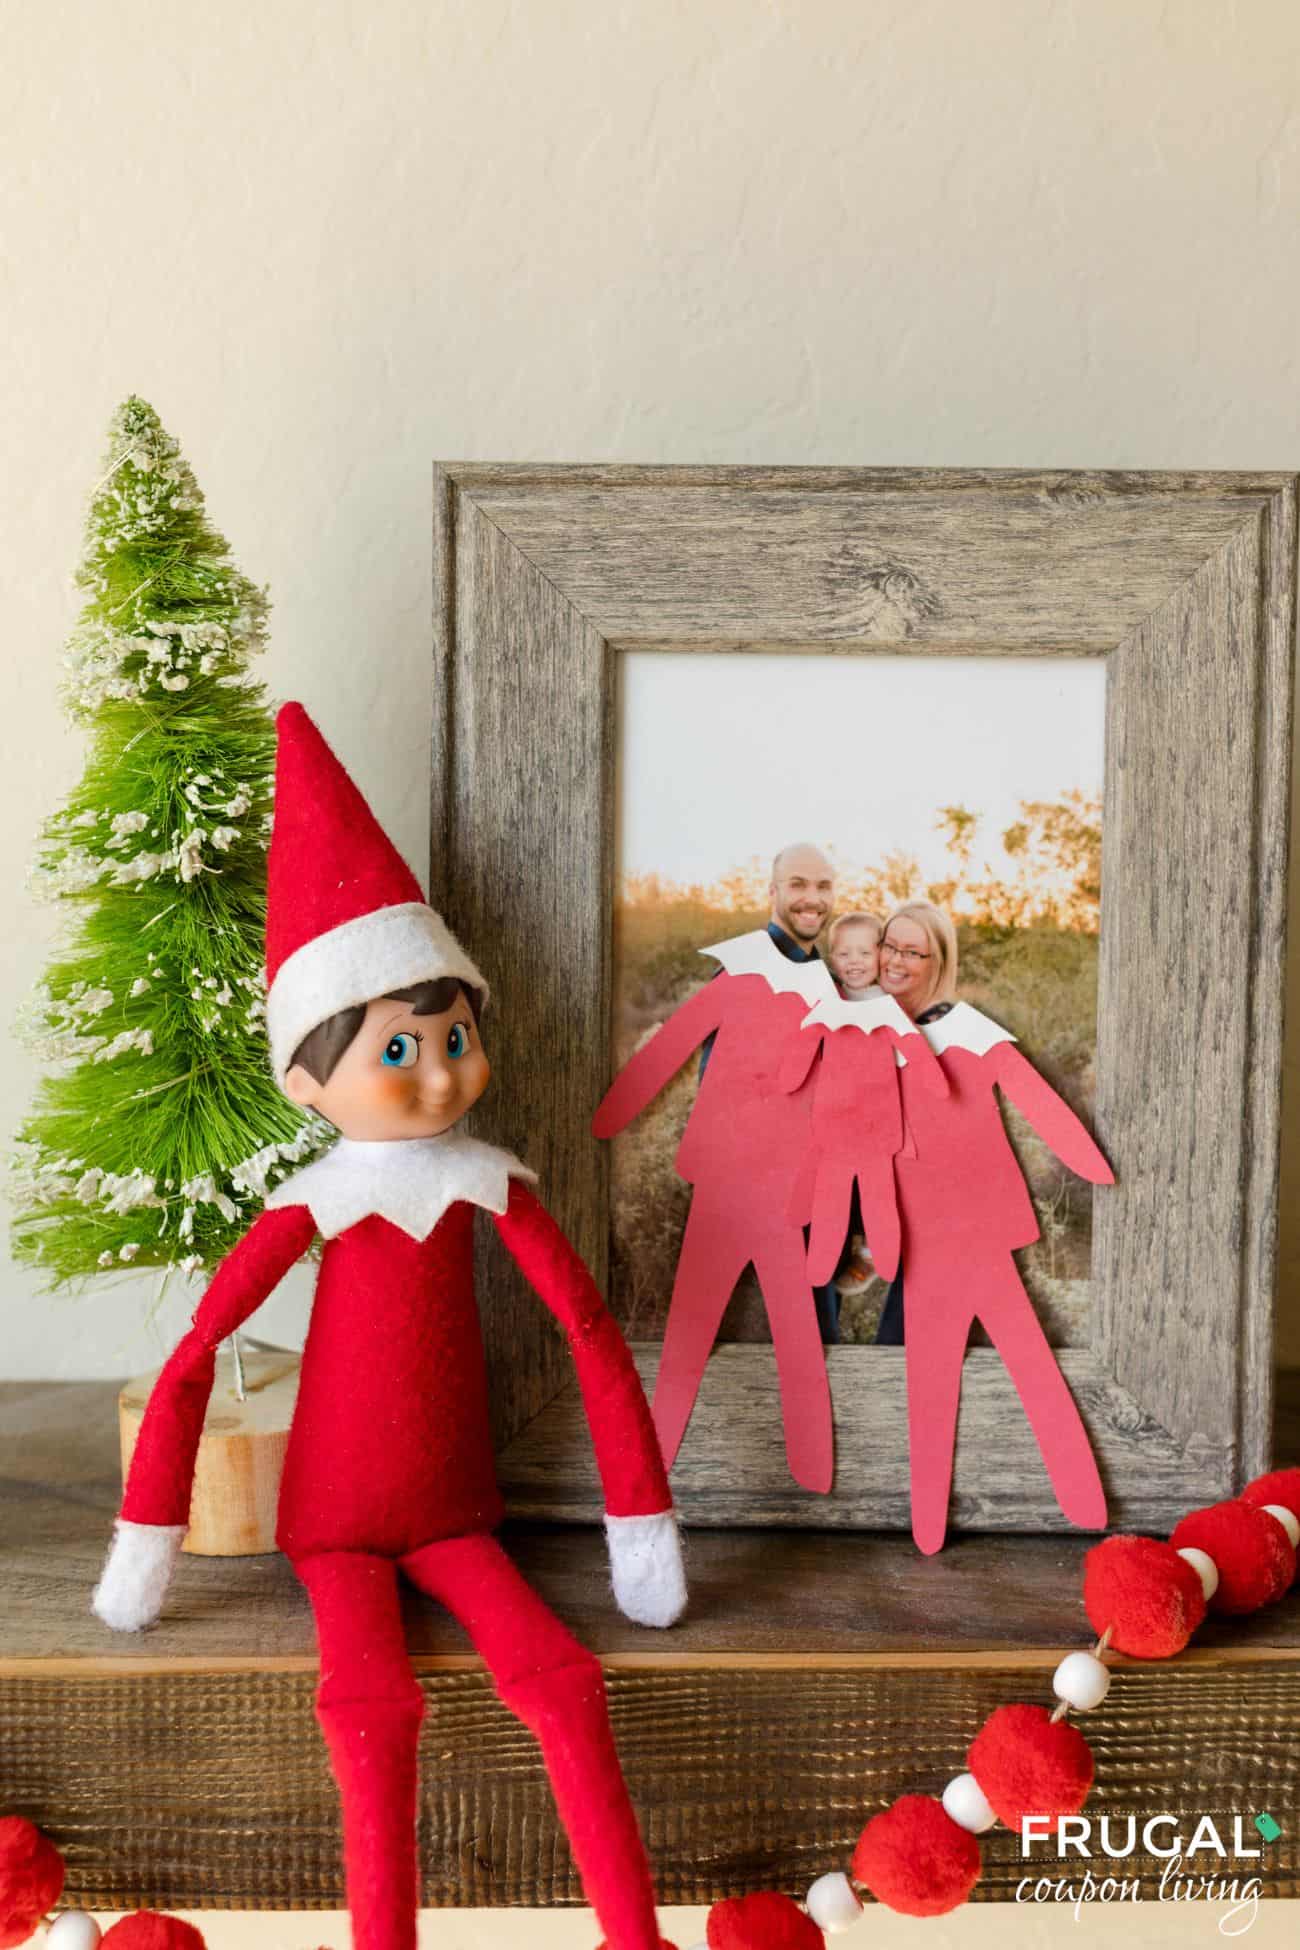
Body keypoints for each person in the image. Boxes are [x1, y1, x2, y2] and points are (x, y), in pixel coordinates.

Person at [92, 704, 685, 1950]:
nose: (439, 1072)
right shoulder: (313, 1204)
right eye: (399, 1047)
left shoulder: (490, 1185)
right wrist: (147, 1545)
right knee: (370, 1706)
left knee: (564, 1682)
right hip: (332, 1521)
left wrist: (641, 1527)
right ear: (303, 1081)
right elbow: (194, 1356)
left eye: (454, 1036)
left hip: (458, 1509)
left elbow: (589, 1331)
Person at [857, 900, 1111, 1552]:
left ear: (939, 961)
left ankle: (1085, 1504)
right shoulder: (866, 1037)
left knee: (1028, 1359)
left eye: (915, 951)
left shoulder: (969, 1029)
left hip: (981, 1229)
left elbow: (1039, 1102)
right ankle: (927, 1529)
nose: (897, 961)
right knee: (930, 1381)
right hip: (918, 1233)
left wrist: (1092, 1165)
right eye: (891, 946)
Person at [596, 842, 843, 1489]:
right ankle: (648, 1476)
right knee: (691, 1333)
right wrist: (605, 1123)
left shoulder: (829, 984)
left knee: (798, 1339)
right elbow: (674, 1047)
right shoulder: (741, 969)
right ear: (773, 890)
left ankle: (815, 1483)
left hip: (790, 1191)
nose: (812, 897)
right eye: (798, 883)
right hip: (728, 1186)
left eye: (823, 886)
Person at [825, 910, 884, 1001]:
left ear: (881, 956)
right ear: (832, 960)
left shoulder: (889, 1000)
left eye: (865, 953)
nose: (854, 960)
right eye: (844, 954)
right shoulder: (827, 996)